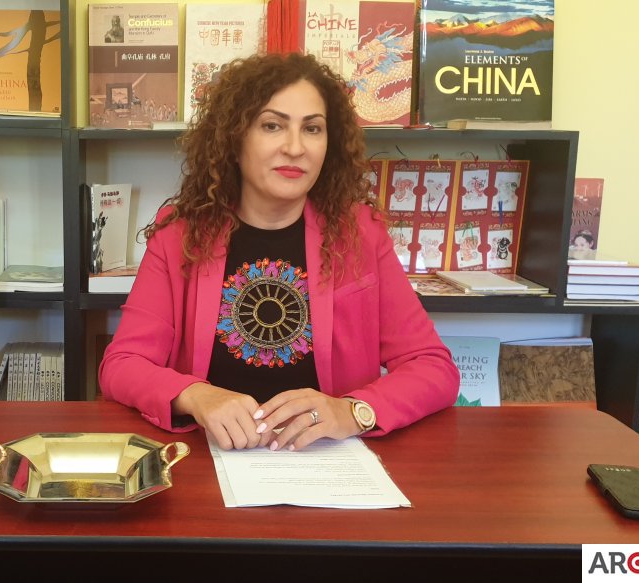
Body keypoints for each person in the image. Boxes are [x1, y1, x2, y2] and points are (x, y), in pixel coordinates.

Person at [99, 52, 458, 451]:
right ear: (235, 139)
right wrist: (194, 395)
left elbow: (433, 368)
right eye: (272, 126)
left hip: (329, 462)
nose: (295, 147)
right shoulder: (180, 235)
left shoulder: (359, 233)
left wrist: (353, 411)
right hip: (212, 457)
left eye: (312, 129)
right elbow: (122, 365)